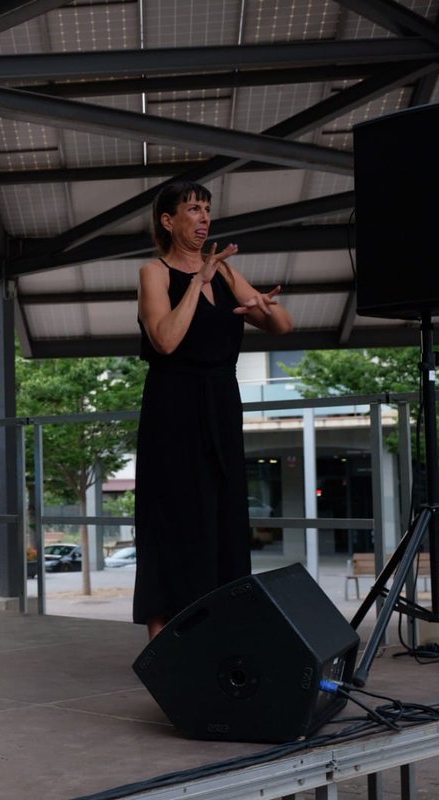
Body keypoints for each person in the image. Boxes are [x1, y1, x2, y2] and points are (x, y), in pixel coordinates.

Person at [132, 180, 294, 640]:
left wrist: (261, 302)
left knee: (221, 516)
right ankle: (164, 642)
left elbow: (282, 325)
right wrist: (197, 281)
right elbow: (165, 338)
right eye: (193, 209)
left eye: (207, 209)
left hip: (222, 405)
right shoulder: (155, 273)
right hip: (173, 407)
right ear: (169, 221)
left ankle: (218, 634)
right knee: (173, 517)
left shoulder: (224, 272)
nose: (204, 218)